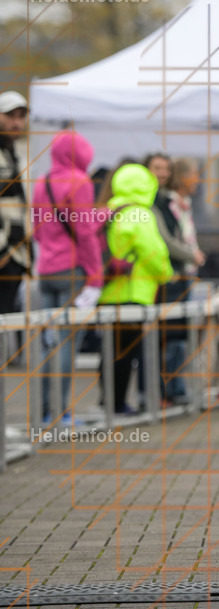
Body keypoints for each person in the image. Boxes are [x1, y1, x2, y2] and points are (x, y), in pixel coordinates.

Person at [32, 131, 103, 423]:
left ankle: (46, 410)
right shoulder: (80, 182)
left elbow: (39, 229)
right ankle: (60, 411)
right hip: (71, 271)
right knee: (65, 343)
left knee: (49, 342)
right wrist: (96, 277)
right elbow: (83, 232)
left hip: (46, 271)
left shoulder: (42, 182)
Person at [98, 163, 174, 414]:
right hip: (135, 293)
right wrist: (166, 274)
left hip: (108, 291)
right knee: (129, 353)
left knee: (110, 350)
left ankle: (109, 401)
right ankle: (119, 405)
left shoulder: (108, 210)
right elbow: (154, 252)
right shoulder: (141, 214)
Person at [153, 157, 205, 404]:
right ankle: (170, 389)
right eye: (194, 174)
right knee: (172, 335)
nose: (198, 180)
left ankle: (177, 387)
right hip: (173, 274)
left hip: (185, 273)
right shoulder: (167, 203)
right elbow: (170, 239)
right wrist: (191, 255)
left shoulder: (182, 203)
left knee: (180, 334)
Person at [0, 91, 31, 316]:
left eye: (21, 116)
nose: (16, 122)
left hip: (15, 253)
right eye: (10, 115)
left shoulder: (11, 152)